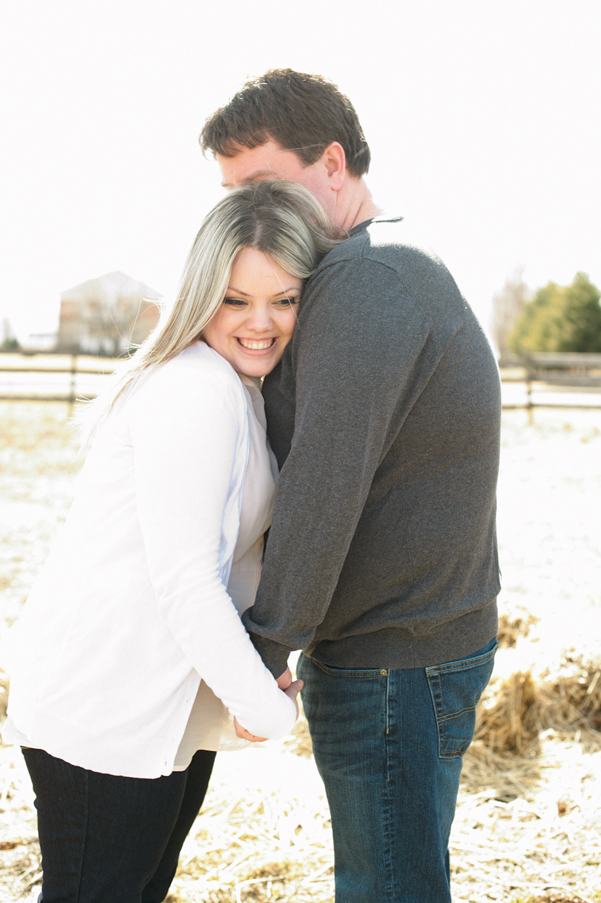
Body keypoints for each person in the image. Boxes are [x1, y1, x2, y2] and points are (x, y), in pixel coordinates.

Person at [200, 69, 502, 902]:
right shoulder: (378, 265)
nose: (241, 213)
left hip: (393, 660)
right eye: (229, 194)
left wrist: (258, 656)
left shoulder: (366, 281)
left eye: (260, 184)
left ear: (332, 163)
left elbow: (321, 486)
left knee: (387, 888)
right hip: (408, 643)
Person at [3, 180, 337, 903]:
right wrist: (266, 706)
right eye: (235, 299)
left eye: (283, 299)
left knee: (140, 887)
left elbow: (230, 560)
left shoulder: (235, 386)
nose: (261, 322)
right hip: (105, 706)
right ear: (199, 295)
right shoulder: (195, 390)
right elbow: (187, 581)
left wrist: (239, 691)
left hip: (157, 710)